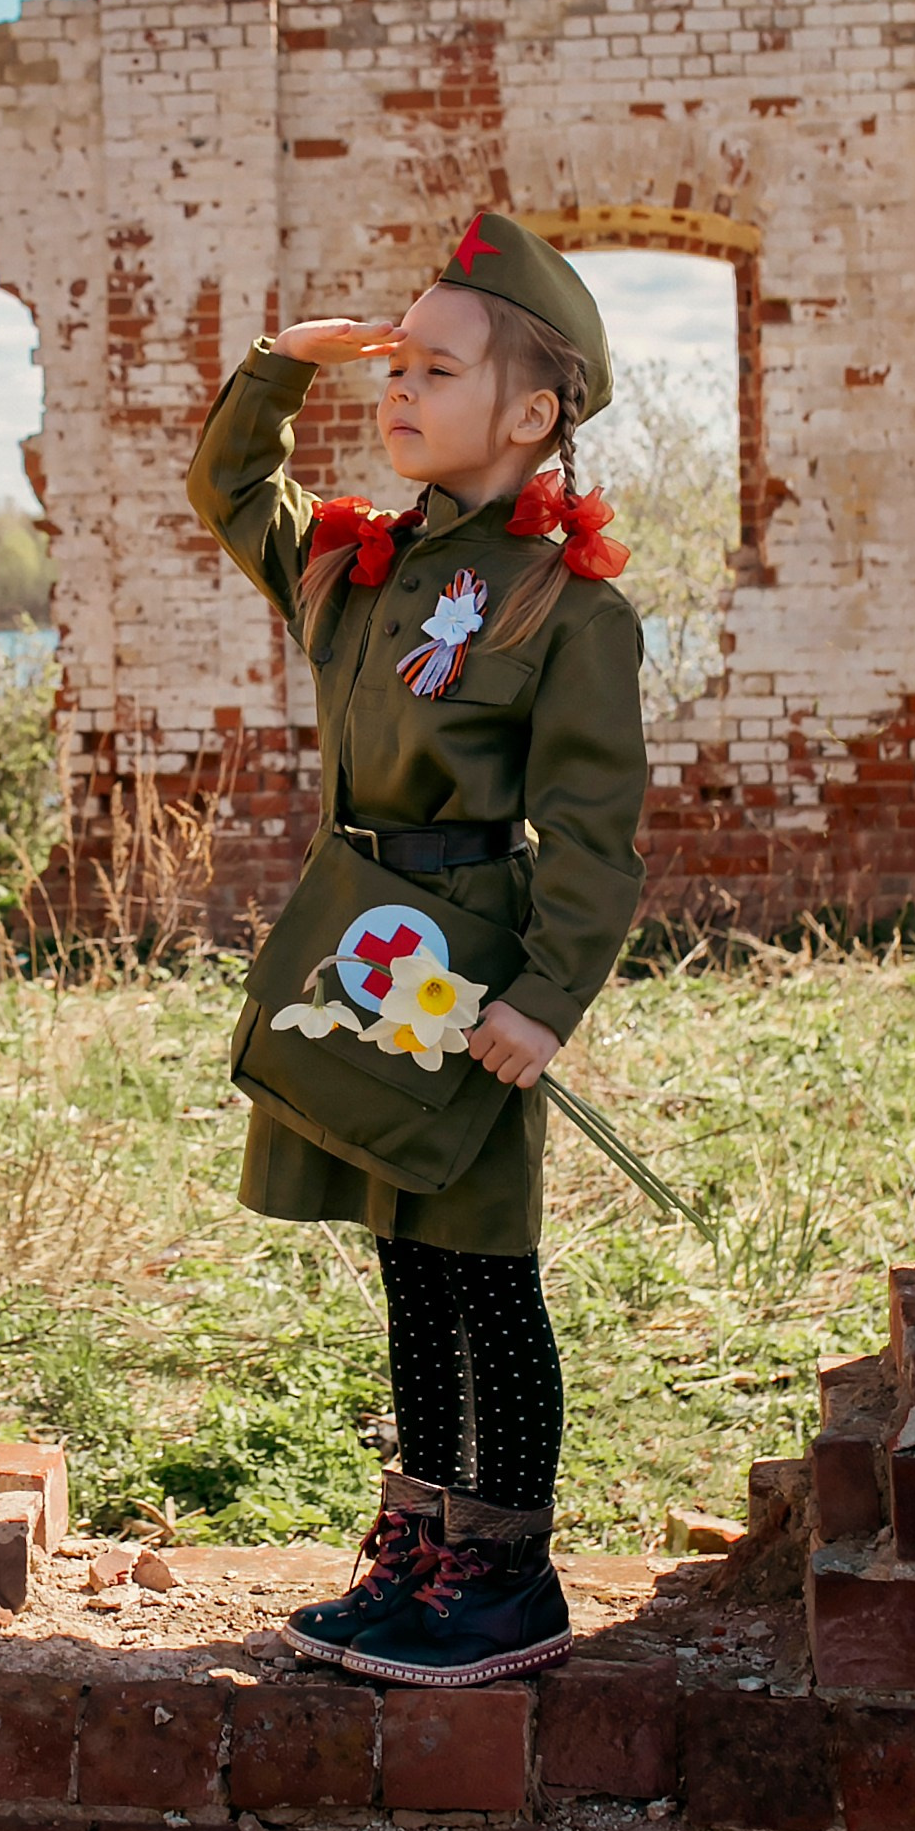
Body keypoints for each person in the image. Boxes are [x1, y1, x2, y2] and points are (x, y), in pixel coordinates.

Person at [185, 209, 648, 1686]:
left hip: (476, 962)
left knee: (488, 1263)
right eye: (392, 366)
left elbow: (594, 834)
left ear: (529, 413)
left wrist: (547, 1000)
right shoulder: (363, 571)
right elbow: (228, 487)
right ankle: (421, 1555)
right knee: (408, 1257)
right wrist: (277, 368)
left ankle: (507, 1576)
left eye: (434, 371)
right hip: (367, 951)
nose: (398, 392)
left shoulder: (572, 611)